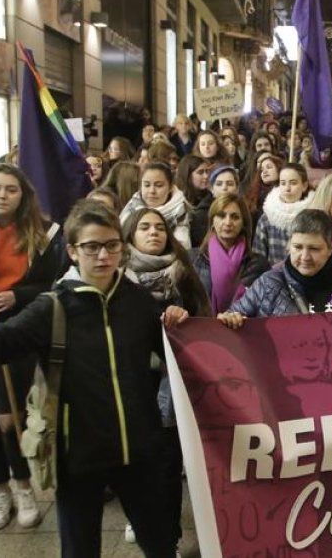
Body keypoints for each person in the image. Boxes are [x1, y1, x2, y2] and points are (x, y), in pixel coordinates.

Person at [0, 200, 187, 558]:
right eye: (91, 246)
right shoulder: (55, 306)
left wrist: (178, 318)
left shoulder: (137, 301)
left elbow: (176, 347)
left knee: (159, 543)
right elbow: (8, 337)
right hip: (77, 453)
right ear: (72, 251)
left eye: (111, 245)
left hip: (138, 449)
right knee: (79, 547)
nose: (102, 255)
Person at [0, 165, 66, 531]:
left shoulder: (44, 234)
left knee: (10, 418)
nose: (3, 195)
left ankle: (23, 487)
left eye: (12, 190)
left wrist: (16, 295)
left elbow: (53, 284)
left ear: (24, 196)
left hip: (19, 330)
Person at [121, 206, 210, 551]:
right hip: (131, 381)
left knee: (168, 461)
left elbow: (204, 320)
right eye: (144, 227)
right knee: (136, 461)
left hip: (170, 383)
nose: (154, 232)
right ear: (130, 235)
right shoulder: (116, 278)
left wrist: (184, 319)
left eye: (159, 227)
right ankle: (141, 517)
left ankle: (169, 535)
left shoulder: (184, 270)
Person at [219, 209, 332, 319]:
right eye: (298, 247)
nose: (305, 256)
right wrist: (230, 319)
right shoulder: (268, 284)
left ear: (330, 248)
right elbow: (233, 317)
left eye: (314, 249)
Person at [191, 194, 270, 314]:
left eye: (235, 217)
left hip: (244, 329)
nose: (228, 222)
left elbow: (264, 308)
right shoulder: (193, 260)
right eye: (221, 216)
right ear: (212, 220)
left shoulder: (258, 264)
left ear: (244, 223)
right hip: (203, 329)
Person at [119, 162, 192, 248]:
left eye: (159, 185)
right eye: (146, 185)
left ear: (170, 187)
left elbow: (183, 248)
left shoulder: (181, 213)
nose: (152, 191)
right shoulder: (130, 208)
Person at [253, 163, 310, 265]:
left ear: (304, 185)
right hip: (274, 276)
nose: (287, 188)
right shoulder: (267, 218)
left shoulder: (312, 216)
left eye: (293, 183)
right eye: (283, 183)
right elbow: (258, 256)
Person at [190, 165, 240, 247]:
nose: (224, 188)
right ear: (212, 189)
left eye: (230, 184)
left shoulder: (245, 211)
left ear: (237, 188)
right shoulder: (201, 214)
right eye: (219, 184)